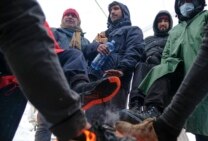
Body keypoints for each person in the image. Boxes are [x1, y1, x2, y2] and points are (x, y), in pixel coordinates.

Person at [116, 0, 208, 141]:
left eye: (189, 0)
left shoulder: (207, 16)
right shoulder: (175, 30)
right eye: (182, 1)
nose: (185, 4)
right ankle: (154, 116)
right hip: (178, 76)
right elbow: (167, 55)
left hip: (203, 73)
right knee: (164, 71)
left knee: (203, 121)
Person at [0, 0, 121, 140]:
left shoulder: (83, 40)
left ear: (78, 22)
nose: (69, 17)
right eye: (67, 15)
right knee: (45, 121)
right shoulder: (53, 31)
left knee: (74, 118)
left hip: (72, 77)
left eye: (73, 15)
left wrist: (98, 47)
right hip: (48, 73)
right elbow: (33, 39)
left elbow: (89, 49)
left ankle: (80, 88)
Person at [85, 1, 144, 124]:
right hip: (95, 83)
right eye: (111, 10)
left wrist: (122, 69)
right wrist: (97, 46)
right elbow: (86, 51)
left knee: (114, 122)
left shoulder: (133, 30)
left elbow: (134, 51)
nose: (112, 12)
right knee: (92, 123)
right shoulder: (102, 35)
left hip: (117, 81)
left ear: (124, 13)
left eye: (116, 9)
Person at [127, 10, 173, 111]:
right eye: (160, 21)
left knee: (159, 69)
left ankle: (154, 106)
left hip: (162, 67)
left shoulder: (172, 38)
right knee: (140, 66)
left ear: (169, 24)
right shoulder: (148, 39)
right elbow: (139, 53)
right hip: (146, 66)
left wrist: (158, 56)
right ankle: (136, 103)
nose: (162, 23)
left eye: (166, 21)